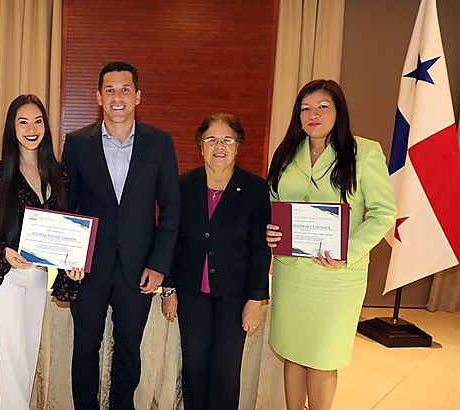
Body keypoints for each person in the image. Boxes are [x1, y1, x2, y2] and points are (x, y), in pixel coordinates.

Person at [265, 79, 396, 410]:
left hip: (336, 278)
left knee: (323, 356)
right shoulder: (285, 152)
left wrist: (347, 253)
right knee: (292, 352)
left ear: (338, 110)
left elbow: (383, 214)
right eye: (305, 108)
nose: (313, 114)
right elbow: (271, 204)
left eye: (323, 106)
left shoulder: (364, 152)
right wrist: (270, 231)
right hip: (291, 273)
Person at [61, 61, 181, 409]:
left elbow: (170, 210)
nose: (118, 97)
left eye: (125, 89)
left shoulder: (159, 143)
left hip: (139, 268)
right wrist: (72, 259)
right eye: (110, 90)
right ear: (99, 97)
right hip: (89, 269)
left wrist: (159, 265)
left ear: (138, 96)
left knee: (129, 348)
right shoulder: (77, 142)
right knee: (85, 347)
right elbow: (68, 207)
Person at [160, 113, 271, 409]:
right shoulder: (183, 185)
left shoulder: (256, 189)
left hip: (235, 297)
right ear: (200, 146)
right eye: (211, 139)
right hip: (191, 292)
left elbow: (261, 248)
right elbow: (170, 238)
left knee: (225, 370)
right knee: (194, 368)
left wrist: (255, 300)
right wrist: (169, 289)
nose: (218, 146)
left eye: (227, 140)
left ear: (238, 146)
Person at [0, 94, 81, 409]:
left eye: (37, 120)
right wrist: (5, 251)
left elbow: (68, 226)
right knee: (13, 361)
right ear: (12, 127)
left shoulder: (59, 174)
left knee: (23, 361)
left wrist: (73, 265)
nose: (31, 127)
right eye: (22, 121)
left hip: (38, 276)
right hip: (6, 276)